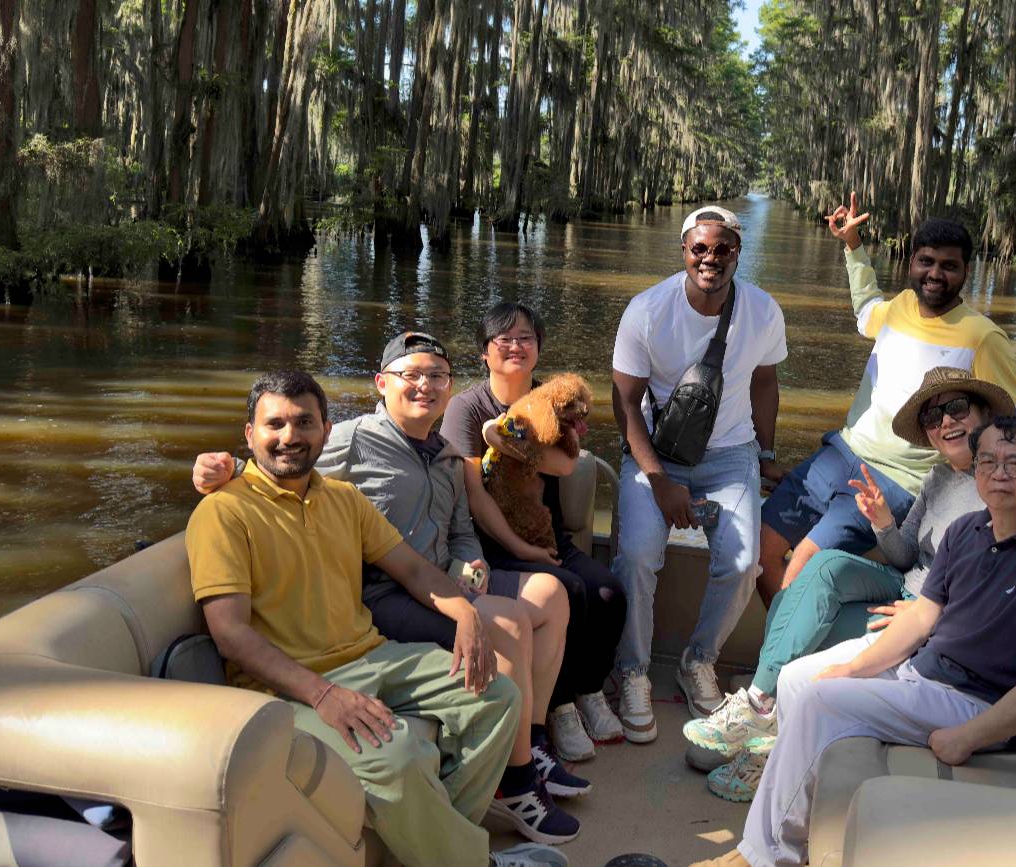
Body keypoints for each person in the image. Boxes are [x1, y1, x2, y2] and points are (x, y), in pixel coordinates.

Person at [191, 333, 583, 845]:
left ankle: (448, 828)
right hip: (300, 674)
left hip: (371, 654)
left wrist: (466, 612)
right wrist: (324, 693)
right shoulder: (225, 511)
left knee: (499, 695)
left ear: (324, 429)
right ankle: (467, 855)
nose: (291, 436)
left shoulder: (349, 498)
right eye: (275, 424)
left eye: (305, 423)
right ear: (249, 433)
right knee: (402, 754)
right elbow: (231, 635)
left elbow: (419, 568)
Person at [699, 415, 1016, 867]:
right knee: (796, 678)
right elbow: (922, 619)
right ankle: (796, 807)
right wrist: (853, 669)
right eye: (987, 460)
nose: (998, 472)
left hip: (972, 701)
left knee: (818, 701)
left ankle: (763, 856)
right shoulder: (969, 531)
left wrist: (967, 737)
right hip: (923, 669)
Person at [684, 367, 1014, 801]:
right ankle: (760, 703)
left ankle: (769, 732)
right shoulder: (936, 480)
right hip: (902, 589)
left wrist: (931, 613)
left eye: (956, 408)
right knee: (825, 567)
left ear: (985, 414)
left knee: (800, 639)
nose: (945, 422)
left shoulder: (1005, 487)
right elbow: (906, 555)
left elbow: (1007, 575)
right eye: (933, 417)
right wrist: (882, 523)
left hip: (929, 621)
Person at [757, 193, 1016, 607]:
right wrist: (853, 246)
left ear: (966, 272)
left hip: (896, 480)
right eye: (926, 261)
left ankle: (772, 671)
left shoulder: (983, 337)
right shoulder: (899, 308)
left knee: (801, 563)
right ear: (911, 262)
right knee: (761, 554)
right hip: (839, 452)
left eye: (949, 266)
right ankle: (777, 661)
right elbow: (865, 310)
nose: (935, 274)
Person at [610, 204, 789, 741]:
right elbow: (624, 405)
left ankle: (697, 661)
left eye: (723, 249)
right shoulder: (647, 311)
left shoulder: (763, 310)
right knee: (639, 554)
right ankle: (633, 670)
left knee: (741, 564)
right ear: (684, 252)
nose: (710, 259)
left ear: (738, 252)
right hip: (655, 452)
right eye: (700, 249)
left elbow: (764, 384)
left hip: (732, 452)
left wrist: (766, 452)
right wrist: (658, 480)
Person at [442, 302, 628, 763]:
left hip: (548, 533)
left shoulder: (553, 398)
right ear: (484, 352)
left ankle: (588, 690)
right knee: (570, 592)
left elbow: (566, 462)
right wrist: (521, 547)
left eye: (525, 338)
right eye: (503, 339)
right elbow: (476, 497)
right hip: (493, 540)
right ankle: (559, 706)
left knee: (607, 592)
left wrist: (504, 441)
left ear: (539, 350)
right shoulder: (466, 409)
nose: (515, 346)